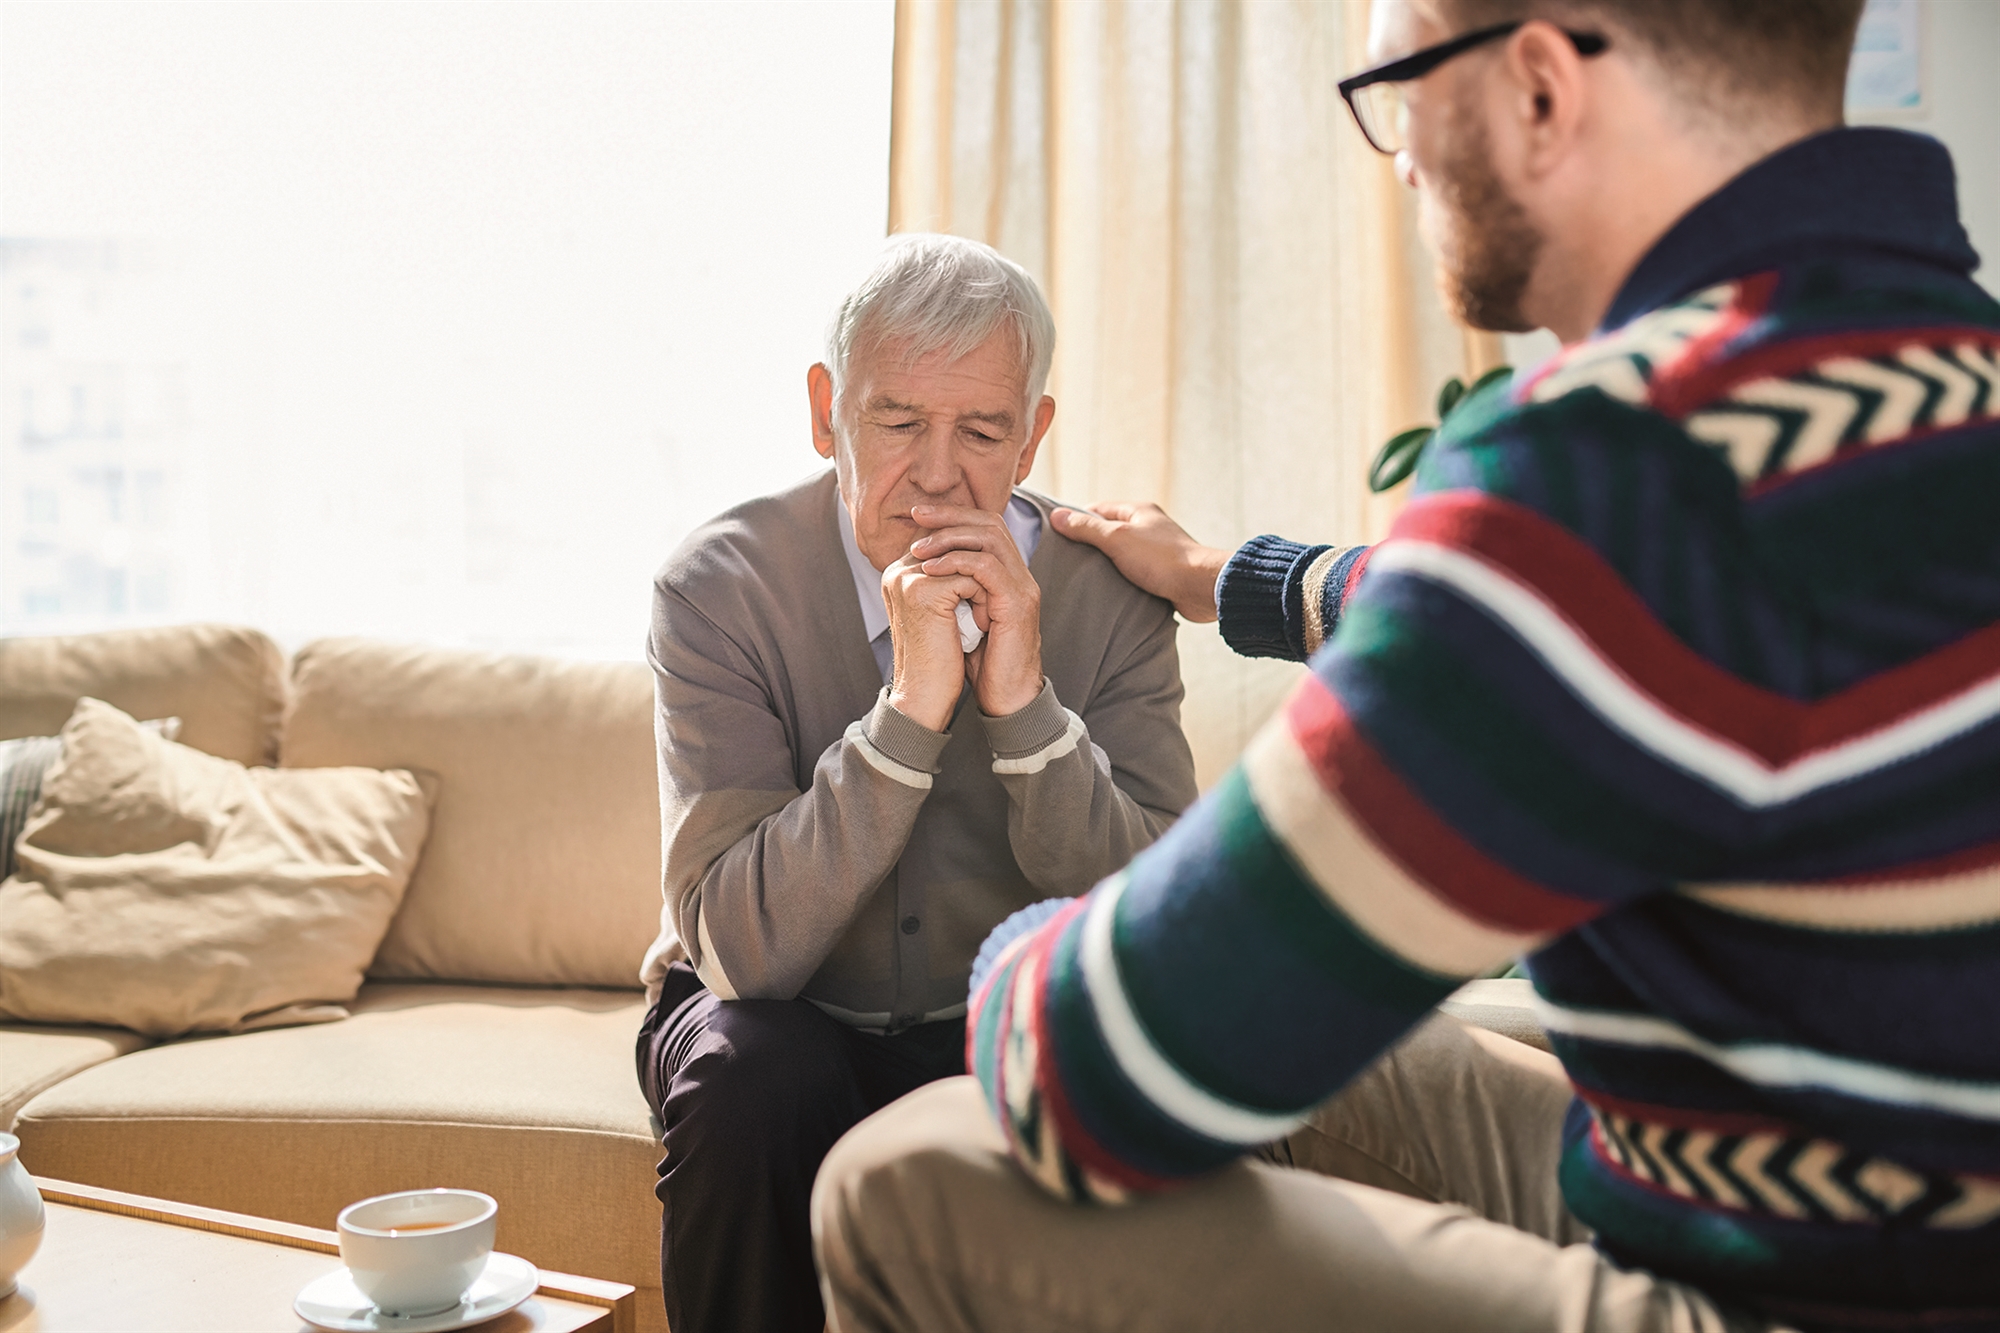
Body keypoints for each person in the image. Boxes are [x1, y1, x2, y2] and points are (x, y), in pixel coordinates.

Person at [812, 2, 2000, 1331]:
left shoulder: (1625, 466)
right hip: (1867, 1204)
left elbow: (1102, 1068)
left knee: (907, 1174)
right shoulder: (1922, 379)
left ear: (1541, 89)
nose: (1403, 157)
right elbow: (1642, 597)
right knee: (1381, 1063)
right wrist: (1222, 576)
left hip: (1805, 1296)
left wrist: (1022, 950)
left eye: (1399, 84)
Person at [633, 233, 1198, 1333]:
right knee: (756, 1075)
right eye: (895, 422)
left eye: (982, 431)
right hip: (771, 1012)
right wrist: (910, 713)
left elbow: (1156, 921)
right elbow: (741, 952)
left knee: (1132, 1074)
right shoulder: (714, 588)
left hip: (999, 1013)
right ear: (824, 412)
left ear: (1032, 434)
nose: (938, 474)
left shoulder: (1113, 594)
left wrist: (1023, 708)